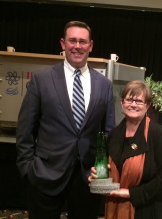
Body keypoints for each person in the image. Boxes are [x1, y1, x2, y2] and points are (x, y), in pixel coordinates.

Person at [16, 21, 115, 219]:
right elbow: (25, 128)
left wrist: (103, 172)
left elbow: (109, 130)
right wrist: (27, 168)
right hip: (46, 173)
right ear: (63, 43)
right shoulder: (41, 80)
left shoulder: (104, 85)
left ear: (91, 45)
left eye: (82, 41)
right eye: (72, 41)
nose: (77, 46)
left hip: (88, 177)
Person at [89, 80, 162, 219]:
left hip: (146, 210)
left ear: (147, 106)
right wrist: (97, 177)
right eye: (129, 99)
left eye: (139, 101)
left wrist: (130, 193)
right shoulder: (114, 134)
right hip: (114, 208)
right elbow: (107, 170)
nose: (133, 104)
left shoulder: (158, 134)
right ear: (122, 103)